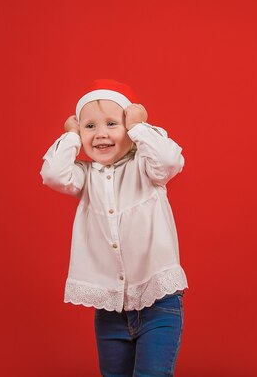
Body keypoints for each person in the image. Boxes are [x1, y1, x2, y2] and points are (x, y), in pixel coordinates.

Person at [40, 78, 189, 376]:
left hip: (158, 303)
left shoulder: (146, 168)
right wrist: (70, 136)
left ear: (130, 129)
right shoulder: (85, 176)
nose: (100, 134)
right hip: (110, 311)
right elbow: (53, 175)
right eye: (89, 126)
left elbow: (170, 159)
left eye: (112, 124)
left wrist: (138, 127)